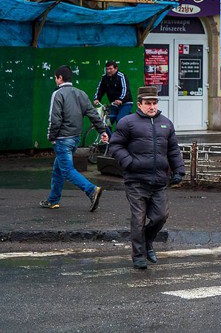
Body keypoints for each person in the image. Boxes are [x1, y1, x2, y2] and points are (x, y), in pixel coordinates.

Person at [109, 86, 185, 270]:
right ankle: (138, 255)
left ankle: (147, 241)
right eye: (148, 103)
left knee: (160, 216)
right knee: (138, 218)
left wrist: (179, 170)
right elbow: (115, 146)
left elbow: (173, 150)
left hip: (159, 181)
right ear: (140, 104)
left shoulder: (166, 123)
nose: (152, 107)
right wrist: (130, 163)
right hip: (136, 180)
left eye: (154, 103)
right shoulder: (127, 123)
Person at [41, 65, 108, 211]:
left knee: (67, 170)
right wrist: (102, 130)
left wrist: (51, 136)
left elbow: (55, 119)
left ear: (59, 78)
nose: (55, 81)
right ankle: (52, 200)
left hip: (62, 139)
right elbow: (92, 113)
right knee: (58, 169)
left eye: (55, 78)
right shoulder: (81, 93)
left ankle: (91, 190)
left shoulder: (58, 94)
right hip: (74, 138)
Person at [93, 60, 133, 127]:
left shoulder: (121, 76)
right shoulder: (104, 78)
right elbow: (100, 89)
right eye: (107, 69)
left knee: (120, 121)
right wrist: (97, 98)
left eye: (111, 69)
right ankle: (109, 137)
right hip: (114, 104)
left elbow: (125, 89)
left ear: (116, 68)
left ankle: (122, 137)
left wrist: (121, 99)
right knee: (106, 123)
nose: (108, 71)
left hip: (125, 103)